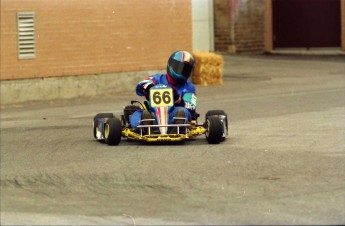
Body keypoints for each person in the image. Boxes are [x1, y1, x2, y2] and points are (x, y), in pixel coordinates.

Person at [129, 50, 198, 133]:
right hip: (153, 113)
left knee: (183, 112)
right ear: (171, 64)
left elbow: (190, 107)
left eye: (186, 70)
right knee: (137, 116)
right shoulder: (157, 78)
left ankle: (177, 128)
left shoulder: (189, 87)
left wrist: (178, 99)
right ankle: (145, 125)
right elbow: (141, 85)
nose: (182, 71)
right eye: (179, 67)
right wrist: (149, 87)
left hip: (173, 114)